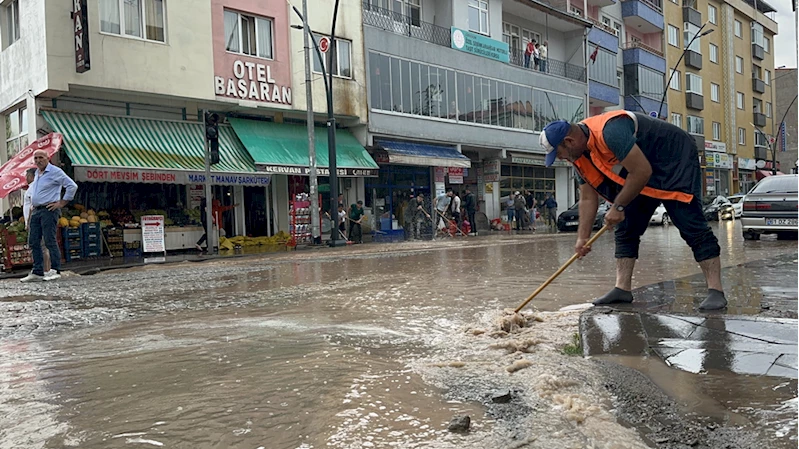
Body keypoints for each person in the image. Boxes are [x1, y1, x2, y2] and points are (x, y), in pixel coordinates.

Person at [539, 111, 726, 310]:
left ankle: (716, 290)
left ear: (569, 141)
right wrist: (582, 238)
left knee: (690, 223)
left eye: (558, 153)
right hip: (639, 170)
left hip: (674, 159)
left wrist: (618, 206)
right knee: (626, 227)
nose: (560, 158)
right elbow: (587, 197)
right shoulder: (577, 158)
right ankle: (622, 289)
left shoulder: (610, 132)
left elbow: (642, 171)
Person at [22, 150, 77, 282]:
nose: (38, 160)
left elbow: (72, 186)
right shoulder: (36, 173)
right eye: (35, 158)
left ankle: (55, 270)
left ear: (48, 158)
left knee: (49, 240)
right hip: (36, 210)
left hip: (49, 209)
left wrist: (61, 203)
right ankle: (37, 271)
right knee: (33, 241)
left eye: (41, 157)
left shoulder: (55, 172)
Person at [22, 168, 53, 277]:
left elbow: (32, 207)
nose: (25, 178)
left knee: (40, 246)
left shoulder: (33, 188)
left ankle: (44, 270)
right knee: (41, 246)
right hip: (36, 220)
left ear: (31, 176)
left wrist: (29, 222)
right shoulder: (34, 187)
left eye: (26, 176)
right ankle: (45, 269)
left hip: (35, 221)